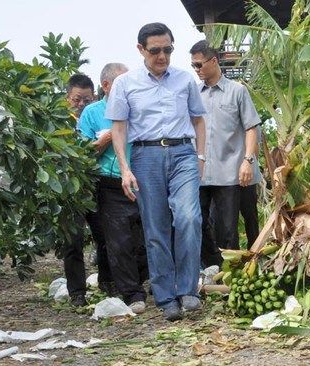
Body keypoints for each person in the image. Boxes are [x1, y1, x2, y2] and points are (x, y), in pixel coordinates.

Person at [105, 23, 206, 321]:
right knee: (155, 227)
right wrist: (124, 168)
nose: (162, 56)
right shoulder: (125, 84)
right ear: (141, 50)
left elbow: (198, 120)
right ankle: (165, 297)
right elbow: (119, 128)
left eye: (168, 50)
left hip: (183, 153)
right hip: (145, 156)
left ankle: (188, 290)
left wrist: (200, 156)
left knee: (189, 217)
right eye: (155, 50)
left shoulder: (185, 80)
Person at [77, 63, 149, 314]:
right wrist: (106, 138)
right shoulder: (92, 113)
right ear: (106, 86)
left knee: (146, 237)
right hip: (109, 183)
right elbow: (83, 154)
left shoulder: (139, 107)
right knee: (118, 241)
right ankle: (132, 293)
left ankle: (143, 281)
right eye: (121, 82)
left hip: (144, 180)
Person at [189, 40, 261, 266]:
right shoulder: (192, 94)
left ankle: (233, 274)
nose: (197, 70)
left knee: (228, 228)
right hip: (199, 173)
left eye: (199, 65)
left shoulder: (237, 91)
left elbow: (251, 127)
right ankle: (210, 269)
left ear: (213, 61)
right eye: (193, 66)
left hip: (230, 172)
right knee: (198, 223)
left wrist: (248, 161)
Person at [64, 74, 114, 307]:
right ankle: (76, 291)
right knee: (72, 241)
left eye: (86, 99)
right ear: (67, 99)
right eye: (77, 99)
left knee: (103, 235)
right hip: (70, 189)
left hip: (95, 184)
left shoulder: (96, 115)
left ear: (94, 96)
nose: (81, 104)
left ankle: (107, 281)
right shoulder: (59, 123)